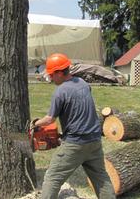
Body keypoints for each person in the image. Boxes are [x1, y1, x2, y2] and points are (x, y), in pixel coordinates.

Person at [31, 53, 115, 199]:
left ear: (59, 72)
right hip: (95, 141)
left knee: (53, 177)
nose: (50, 78)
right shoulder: (83, 83)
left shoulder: (61, 91)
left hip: (76, 143)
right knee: (101, 178)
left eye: (52, 74)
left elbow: (50, 119)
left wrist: (34, 124)